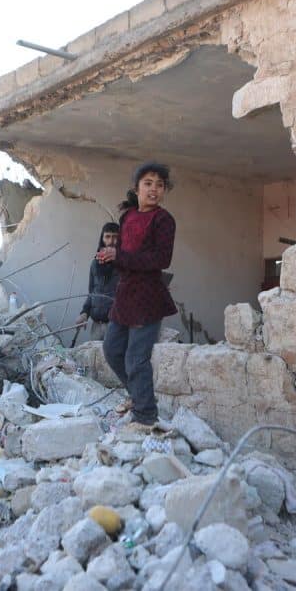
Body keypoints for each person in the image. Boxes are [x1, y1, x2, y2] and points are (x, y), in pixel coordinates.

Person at [99, 162, 177, 432]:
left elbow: (160, 259)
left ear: (164, 190)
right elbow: (126, 258)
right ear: (136, 188)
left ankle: (145, 416)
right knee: (111, 350)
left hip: (147, 296)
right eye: (148, 183)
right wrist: (110, 258)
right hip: (125, 295)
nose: (154, 189)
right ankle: (138, 395)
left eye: (159, 184)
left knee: (136, 358)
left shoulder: (163, 220)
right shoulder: (128, 217)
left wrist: (121, 256)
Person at [75, 222, 120, 342]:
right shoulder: (95, 264)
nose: (111, 241)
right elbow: (92, 293)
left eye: (115, 237)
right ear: (102, 239)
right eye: (107, 236)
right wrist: (84, 313)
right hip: (96, 326)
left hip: (117, 327)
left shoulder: (126, 265)